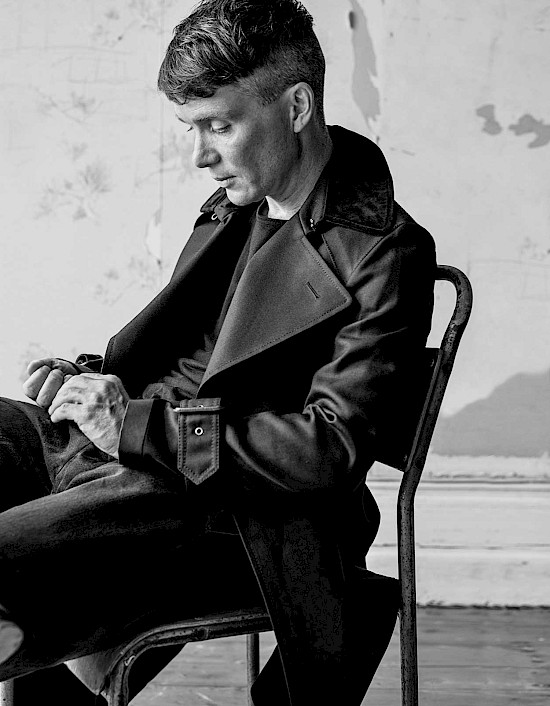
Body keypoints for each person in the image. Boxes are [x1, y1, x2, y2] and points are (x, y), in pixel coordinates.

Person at [0, 0, 436, 703]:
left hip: (228, 504)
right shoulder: (235, 206)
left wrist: (139, 428)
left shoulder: (383, 253)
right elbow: (189, 355)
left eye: (219, 125)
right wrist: (88, 383)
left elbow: (329, 448)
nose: (200, 155)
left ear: (296, 107)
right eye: (191, 128)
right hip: (123, 453)